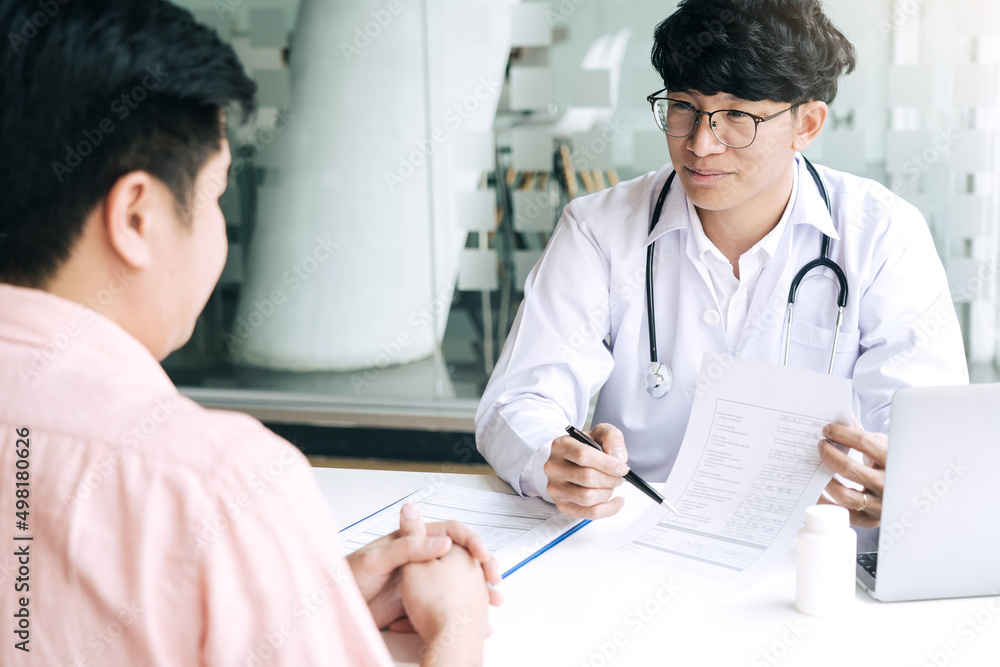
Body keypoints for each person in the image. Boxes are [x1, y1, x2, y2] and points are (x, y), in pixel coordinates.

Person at [0, 1, 497, 665]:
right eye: (215, 195)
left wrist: (283, 597)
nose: (221, 235)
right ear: (137, 217)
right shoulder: (212, 481)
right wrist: (457, 626)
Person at [476, 0, 969, 528]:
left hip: (819, 544)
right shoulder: (600, 228)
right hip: (640, 540)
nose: (701, 144)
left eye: (736, 115)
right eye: (684, 106)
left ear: (807, 123)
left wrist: (906, 479)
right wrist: (553, 459)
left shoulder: (882, 234)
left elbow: (927, 425)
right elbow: (521, 399)